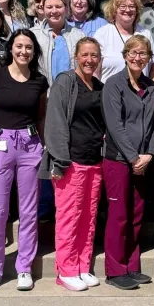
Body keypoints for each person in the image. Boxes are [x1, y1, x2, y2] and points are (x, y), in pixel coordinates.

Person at [0, 29, 48, 293]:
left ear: (34, 51)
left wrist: (42, 145)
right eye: (19, 46)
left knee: (29, 211)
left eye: (28, 47)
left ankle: (24, 268)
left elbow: (41, 116)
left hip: (29, 145)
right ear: (11, 49)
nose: (23, 52)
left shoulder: (39, 81)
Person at [41, 38, 106, 291]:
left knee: (88, 218)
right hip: (70, 162)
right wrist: (59, 159)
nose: (89, 60)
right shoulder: (65, 82)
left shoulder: (99, 86)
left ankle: (81, 265)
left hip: (94, 161)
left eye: (94, 55)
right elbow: (55, 121)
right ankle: (65, 270)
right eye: (85, 55)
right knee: (69, 217)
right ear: (76, 57)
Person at [101, 35, 154, 290]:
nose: (138, 58)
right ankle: (115, 270)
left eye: (143, 54)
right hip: (118, 159)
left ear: (148, 58)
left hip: (143, 161)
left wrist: (149, 154)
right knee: (119, 215)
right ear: (125, 55)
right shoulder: (113, 84)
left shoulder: (152, 88)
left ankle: (131, 265)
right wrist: (133, 157)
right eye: (133, 53)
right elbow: (114, 125)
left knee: (136, 214)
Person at [93, 0, 154, 82]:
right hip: (110, 94)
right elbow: (95, 72)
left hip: (141, 94)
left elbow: (153, 68)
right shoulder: (102, 34)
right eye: (122, 6)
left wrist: (153, 93)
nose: (128, 10)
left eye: (132, 6)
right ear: (114, 9)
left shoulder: (145, 33)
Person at [32, 0, 85, 86]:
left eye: (58, 6)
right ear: (43, 9)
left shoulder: (79, 36)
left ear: (66, 8)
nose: (54, 11)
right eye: (49, 7)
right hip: (43, 95)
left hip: (71, 94)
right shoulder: (33, 35)